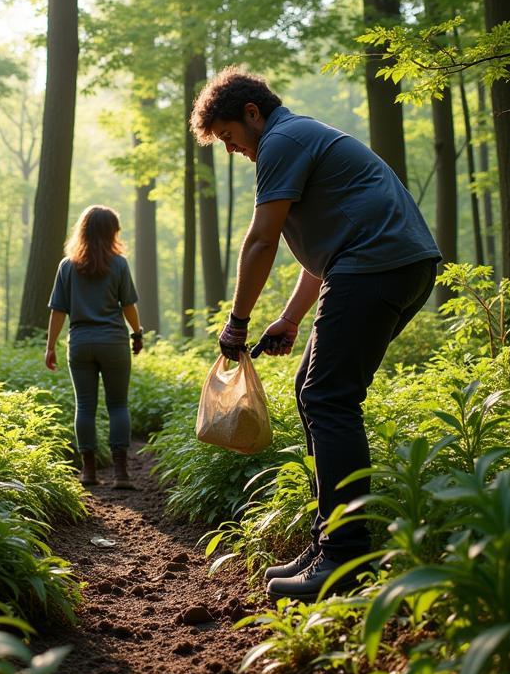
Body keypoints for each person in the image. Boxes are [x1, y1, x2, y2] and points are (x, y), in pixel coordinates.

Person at [191, 67, 440, 601]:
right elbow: (321, 256)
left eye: (231, 138)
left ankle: (346, 559)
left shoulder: (282, 140)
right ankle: (329, 544)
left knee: (329, 397)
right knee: (315, 386)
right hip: (395, 264)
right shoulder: (301, 139)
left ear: (253, 115)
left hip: (376, 265)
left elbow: (261, 241)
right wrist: (289, 317)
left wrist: (237, 323)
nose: (234, 151)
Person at [45, 206, 144, 489]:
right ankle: (121, 474)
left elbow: (57, 311)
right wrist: (137, 334)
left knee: (85, 407)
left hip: (80, 343)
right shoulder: (119, 264)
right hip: (113, 342)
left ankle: (89, 472)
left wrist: (50, 347)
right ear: (111, 232)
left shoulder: (67, 265)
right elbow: (128, 306)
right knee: (118, 405)